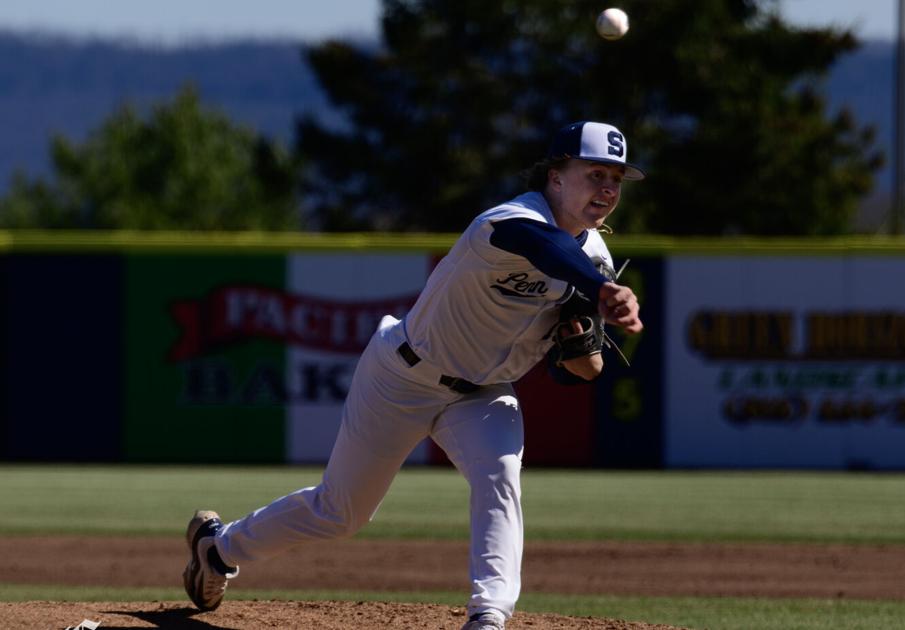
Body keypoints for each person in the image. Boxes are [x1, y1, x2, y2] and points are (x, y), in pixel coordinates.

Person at [182, 121, 645, 630]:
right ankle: (219, 548)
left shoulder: (596, 261)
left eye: (616, 180)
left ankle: (488, 615)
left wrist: (582, 347)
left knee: (500, 476)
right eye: (594, 173)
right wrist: (599, 289)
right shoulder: (510, 220)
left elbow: (578, 371)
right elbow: (539, 245)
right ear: (555, 176)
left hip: (483, 395)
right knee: (341, 513)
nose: (607, 188)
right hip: (402, 376)